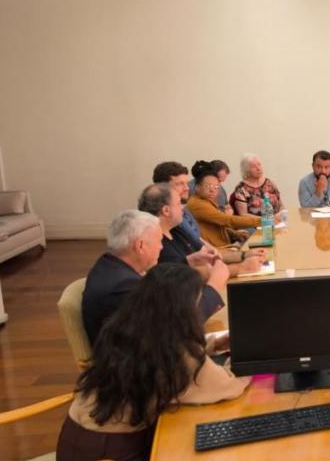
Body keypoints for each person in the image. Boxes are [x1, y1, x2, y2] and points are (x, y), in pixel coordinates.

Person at [57, 264, 250, 461]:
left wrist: (213, 344)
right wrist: (252, 363)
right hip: (113, 452)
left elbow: (163, 357)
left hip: (72, 440)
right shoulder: (177, 354)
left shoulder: (123, 327)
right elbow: (228, 386)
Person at [81, 210, 227, 346]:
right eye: (159, 241)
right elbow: (178, 326)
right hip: (139, 368)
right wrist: (214, 286)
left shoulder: (111, 267)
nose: (161, 247)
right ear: (140, 246)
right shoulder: (122, 286)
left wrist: (189, 261)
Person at [137, 183, 267, 277]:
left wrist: (244, 255)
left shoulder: (177, 230)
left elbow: (208, 256)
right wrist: (242, 268)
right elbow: (190, 275)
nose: (182, 208)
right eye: (178, 204)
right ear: (166, 210)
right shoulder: (155, 243)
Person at [188, 166, 262, 248]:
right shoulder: (197, 204)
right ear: (197, 187)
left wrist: (235, 234)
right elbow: (227, 220)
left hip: (224, 244)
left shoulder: (206, 201)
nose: (212, 190)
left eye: (216, 187)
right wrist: (262, 221)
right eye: (208, 186)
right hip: (218, 250)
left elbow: (217, 225)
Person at [153, 161, 202, 241]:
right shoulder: (165, 216)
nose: (187, 188)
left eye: (186, 183)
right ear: (163, 187)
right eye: (179, 184)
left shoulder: (183, 209)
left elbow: (197, 239)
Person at [232, 153, 284, 217]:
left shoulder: (270, 183)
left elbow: (281, 205)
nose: (258, 168)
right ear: (247, 170)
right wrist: (266, 221)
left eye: (259, 164)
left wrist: (280, 217)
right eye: (254, 167)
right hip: (255, 225)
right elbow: (243, 214)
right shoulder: (241, 189)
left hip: (277, 223)